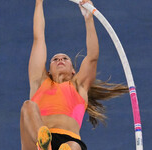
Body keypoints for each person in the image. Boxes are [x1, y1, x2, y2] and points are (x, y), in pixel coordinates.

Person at [20, 0, 129, 150]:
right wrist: (39, 3)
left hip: (68, 140)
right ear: (49, 70)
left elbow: (92, 56)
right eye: (55, 59)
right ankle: (43, 144)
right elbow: (38, 38)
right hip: (36, 142)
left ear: (73, 70)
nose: (60, 60)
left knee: (72, 146)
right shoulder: (39, 82)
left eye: (65, 58)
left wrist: (88, 18)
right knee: (28, 106)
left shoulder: (79, 86)